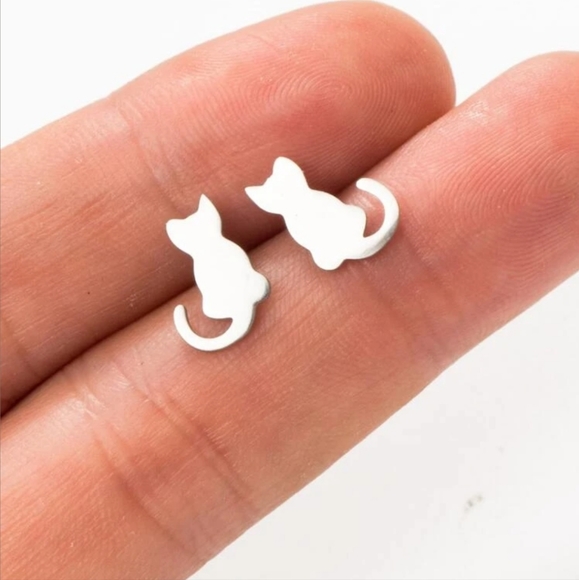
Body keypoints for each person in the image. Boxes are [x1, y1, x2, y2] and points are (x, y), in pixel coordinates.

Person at [1, 2, 577, 579]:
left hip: (304, 255)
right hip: (264, 278)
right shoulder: (248, 230)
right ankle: (263, 283)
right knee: (268, 266)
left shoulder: (281, 212)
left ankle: (272, 278)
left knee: (297, 252)